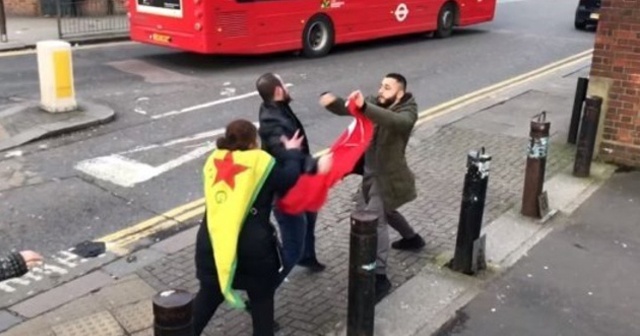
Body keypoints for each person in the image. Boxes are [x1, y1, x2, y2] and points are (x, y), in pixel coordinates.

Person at [192, 119, 331, 336]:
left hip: (213, 241)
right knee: (262, 303)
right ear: (251, 143)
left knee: (207, 298)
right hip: (253, 248)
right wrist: (292, 152)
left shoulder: (214, 159)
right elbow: (289, 177)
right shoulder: (260, 161)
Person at [319, 73, 425, 302]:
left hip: (387, 175)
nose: (381, 91)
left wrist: (365, 106)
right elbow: (350, 108)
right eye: (381, 86)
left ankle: (380, 276)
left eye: (387, 88)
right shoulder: (377, 102)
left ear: (400, 93)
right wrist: (332, 102)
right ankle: (412, 239)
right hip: (369, 172)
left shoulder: (408, 111)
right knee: (386, 210)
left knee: (374, 221)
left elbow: (395, 122)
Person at [256, 72, 329, 277]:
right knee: (292, 249)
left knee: (309, 221)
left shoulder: (274, 107)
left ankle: (308, 257)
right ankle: (265, 290)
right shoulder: (275, 124)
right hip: (287, 191)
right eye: (284, 86)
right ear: (279, 91)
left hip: (301, 182)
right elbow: (287, 157)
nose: (288, 89)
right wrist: (316, 164)